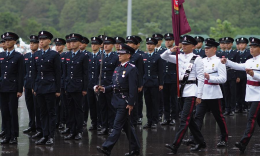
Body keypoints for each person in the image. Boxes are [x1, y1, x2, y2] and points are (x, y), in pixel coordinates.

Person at [161, 35, 206, 154]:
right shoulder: (179, 57)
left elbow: (201, 78)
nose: (184, 46)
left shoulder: (197, 59)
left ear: (193, 46)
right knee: (189, 120)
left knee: (184, 119)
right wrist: (171, 50)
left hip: (192, 91)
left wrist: (199, 95)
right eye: (183, 44)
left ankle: (175, 145)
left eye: (186, 45)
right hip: (181, 90)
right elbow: (163, 56)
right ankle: (201, 142)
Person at [96, 44, 140, 156]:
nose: (119, 55)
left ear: (128, 55)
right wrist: (104, 88)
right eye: (119, 53)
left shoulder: (131, 69)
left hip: (124, 102)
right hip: (116, 101)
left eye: (122, 54)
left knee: (116, 126)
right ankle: (135, 149)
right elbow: (114, 85)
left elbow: (133, 88)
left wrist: (131, 103)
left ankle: (107, 147)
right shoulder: (118, 68)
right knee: (127, 127)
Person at [183, 39, 228, 147]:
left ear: (214, 49)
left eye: (208, 48)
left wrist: (210, 77)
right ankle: (195, 139)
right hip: (202, 92)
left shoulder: (219, 61)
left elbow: (223, 79)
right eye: (205, 48)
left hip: (213, 93)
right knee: (198, 116)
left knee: (218, 117)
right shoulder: (201, 60)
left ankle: (224, 138)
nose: (206, 50)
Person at [221, 37, 260, 153]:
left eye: (254, 47)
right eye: (251, 47)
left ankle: (244, 142)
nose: (251, 49)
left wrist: (254, 74)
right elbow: (239, 66)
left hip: (259, 94)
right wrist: (227, 62)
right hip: (251, 94)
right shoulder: (249, 61)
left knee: (251, 118)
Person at [32, 31, 61, 145]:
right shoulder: (36, 55)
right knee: (42, 112)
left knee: (51, 112)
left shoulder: (54, 55)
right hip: (39, 86)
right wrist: (34, 87)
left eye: (43, 40)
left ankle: (51, 136)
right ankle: (44, 135)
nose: (41, 42)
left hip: (50, 87)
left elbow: (58, 73)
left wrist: (58, 89)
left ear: (49, 41)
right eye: (40, 40)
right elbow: (34, 72)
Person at [63, 33, 88, 140]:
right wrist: (64, 85)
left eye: (74, 42)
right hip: (68, 86)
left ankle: (78, 131)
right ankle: (72, 130)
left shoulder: (83, 56)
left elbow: (85, 73)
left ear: (79, 43)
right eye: (70, 42)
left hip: (78, 87)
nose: (72, 44)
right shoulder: (67, 55)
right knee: (70, 109)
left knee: (78, 110)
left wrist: (84, 88)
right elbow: (65, 72)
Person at [0, 32, 24, 144]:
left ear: (14, 42)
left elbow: (20, 74)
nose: (7, 42)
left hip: (13, 88)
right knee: (4, 112)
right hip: (2, 87)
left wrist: (19, 89)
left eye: (9, 40)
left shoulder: (18, 56)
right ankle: (7, 134)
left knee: (12, 112)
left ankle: (14, 135)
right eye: (5, 41)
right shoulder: (1, 56)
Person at [95, 37, 120, 135]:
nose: (105, 45)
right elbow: (98, 72)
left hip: (110, 85)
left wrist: (115, 85)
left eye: (108, 44)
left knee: (111, 107)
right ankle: (104, 126)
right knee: (102, 107)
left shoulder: (116, 57)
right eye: (104, 44)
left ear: (113, 45)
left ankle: (111, 127)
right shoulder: (100, 56)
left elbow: (117, 72)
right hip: (101, 85)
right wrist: (96, 84)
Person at [142, 37, 163, 129]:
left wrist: (161, 83)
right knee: (147, 102)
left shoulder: (158, 56)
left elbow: (160, 71)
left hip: (155, 82)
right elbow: (142, 71)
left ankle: (155, 121)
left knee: (155, 103)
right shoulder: (144, 56)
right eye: (148, 44)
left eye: (151, 44)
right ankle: (149, 121)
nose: (149, 46)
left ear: (154, 46)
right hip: (146, 82)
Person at [23, 35, 41, 135]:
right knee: (29, 106)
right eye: (30, 43)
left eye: (34, 43)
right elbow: (24, 72)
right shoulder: (26, 56)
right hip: (28, 84)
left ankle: (39, 127)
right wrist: (23, 84)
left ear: (38, 44)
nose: (32, 45)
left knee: (37, 107)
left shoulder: (39, 55)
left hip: (37, 85)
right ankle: (31, 125)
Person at [125, 36, 144, 127]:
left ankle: (135, 120)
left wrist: (140, 84)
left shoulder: (138, 56)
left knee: (135, 102)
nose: (128, 44)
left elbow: (140, 72)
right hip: (125, 83)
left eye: (130, 43)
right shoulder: (125, 55)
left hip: (134, 83)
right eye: (127, 43)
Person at [160, 33, 178, 126]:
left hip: (174, 78)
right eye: (166, 40)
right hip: (164, 79)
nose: (168, 42)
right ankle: (166, 117)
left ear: (173, 41)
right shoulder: (162, 52)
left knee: (173, 99)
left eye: (170, 40)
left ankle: (174, 117)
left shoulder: (178, 52)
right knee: (165, 99)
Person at [87, 37, 103, 131]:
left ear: (100, 45)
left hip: (98, 84)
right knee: (91, 105)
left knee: (99, 105)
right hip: (90, 84)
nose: (93, 46)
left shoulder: (101, 56)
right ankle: (94, 123)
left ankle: (100, 123)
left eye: (95, 44)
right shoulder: (89, 56)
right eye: (92, 44)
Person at [222, 37, 239, 116]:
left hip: (232, 75)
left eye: (228, 43)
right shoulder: (222, 53)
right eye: (225, 43)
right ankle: (227, 108)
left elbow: (238, 65)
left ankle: (233, 108)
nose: (226, 45)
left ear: (232, 44)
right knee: (226, 93)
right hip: (225, 75)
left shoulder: (235, 53)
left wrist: (238, 76)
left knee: (233, 93)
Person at [235, 37, 252, 113]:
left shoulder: (248, 53)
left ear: (246, 45)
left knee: (244, 91)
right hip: (237, 75)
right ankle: (238, 106)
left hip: (246, 75)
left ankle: (245, 106)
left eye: (243, 44)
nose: (241, 45)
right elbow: (235, 66)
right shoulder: (236, 53)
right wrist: (237, 76)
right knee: (237, 91)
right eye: (240, 44)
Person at [53, 38, 66, 129]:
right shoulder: (53, 55)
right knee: (55, 104)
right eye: (56, 45)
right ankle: (56, 121)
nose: (58, 47)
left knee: (63, 104)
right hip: (54, 83)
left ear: (63, 46)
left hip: (63, 83)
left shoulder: (65, 56)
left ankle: (62, 121)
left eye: (59, 45)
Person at [60, 35, 72, 135]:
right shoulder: (63, 55)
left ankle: (75, 128)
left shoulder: (81, 56)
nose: (68, 45)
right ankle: (68, 126)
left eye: (70, 42)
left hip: (74, 85)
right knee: (65, 107)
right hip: (64, 85)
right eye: (67, 43)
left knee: (74, 108)